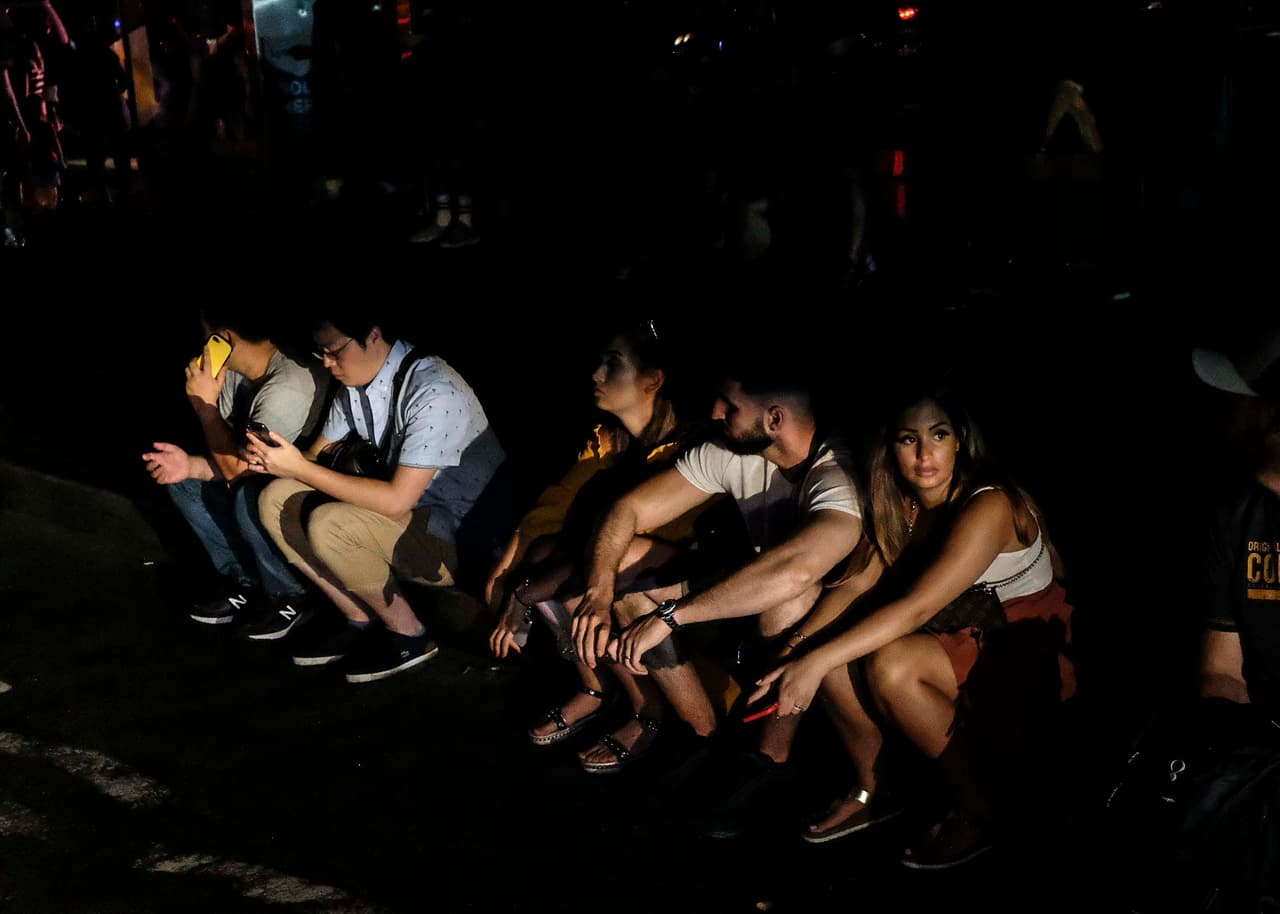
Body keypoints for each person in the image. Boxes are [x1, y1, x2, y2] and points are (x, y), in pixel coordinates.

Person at [751, 383, 1075, 868]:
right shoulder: (903, 505)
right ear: (890, 446)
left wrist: (815, 661)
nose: (925, 455)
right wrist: (797, 649)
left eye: (938, 435)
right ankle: (875, 789)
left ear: (959, 441)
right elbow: (855, 587)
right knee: (833, 646)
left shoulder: (988, 502)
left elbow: (918, 608)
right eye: (908, 439)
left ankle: (980, 810)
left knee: (888, 664)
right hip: (960, 638)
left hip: (1022, 649)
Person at [578, 346, 863, 823]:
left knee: (787, 592)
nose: (714, 413)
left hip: (830, 614)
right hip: (747, 589)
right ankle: (699, 732)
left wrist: (668, 618)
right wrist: (598, 592)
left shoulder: (839, 471)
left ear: (774, 418)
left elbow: (797, 569)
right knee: (623, 560)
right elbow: (628, 510)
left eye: (729, 405)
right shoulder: (733, 450)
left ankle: (769, 757)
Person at [485, 319, 722, 763]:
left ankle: (668, 721)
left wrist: (523, 592)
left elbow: (642, 543)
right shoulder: (612, 440)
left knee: (593, 576)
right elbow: (553, 507)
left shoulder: (691, 448)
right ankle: (601, 690)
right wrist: (511, 565)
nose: (596, 375)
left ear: (654, 380)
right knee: (548, 557)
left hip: (696, 583)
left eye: (613, 364)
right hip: (637, 572)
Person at [249, 312, 508, 684]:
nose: (326, 362)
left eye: (333, 351)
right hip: (415, 516)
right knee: (275, 497)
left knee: (330, 524)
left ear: (372, 335)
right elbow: (313, 456)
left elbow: (395, 501)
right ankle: (357, 616)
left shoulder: (433, 391)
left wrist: (299, 469)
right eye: (320, 351)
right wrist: (273, 459)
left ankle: (409, 634)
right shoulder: (355, 385)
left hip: (463, 538)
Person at [141, 307, 329, 638]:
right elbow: (228, 454)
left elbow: (241, 474)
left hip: (300, 492)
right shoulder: (236, 373)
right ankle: (246, 579)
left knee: (248, 497)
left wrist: (205, 408)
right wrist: (191, 466)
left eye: (206, 336)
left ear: (224, 338)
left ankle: (291, 594)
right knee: (183, 481)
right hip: (250, 473)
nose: (202, 345)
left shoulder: (288, 385)